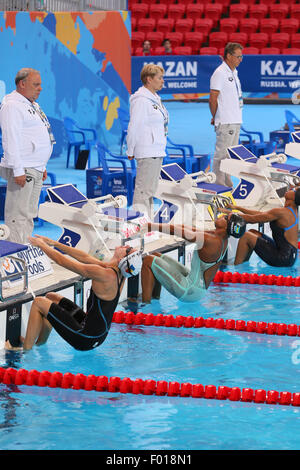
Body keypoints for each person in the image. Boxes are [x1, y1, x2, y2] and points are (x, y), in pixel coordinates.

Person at [21, 235, 142, 351]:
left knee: (38, 302)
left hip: (85, 338)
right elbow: (85, 257)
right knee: (51, 297)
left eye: (128, 250)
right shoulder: (119, 272)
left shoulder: (105, 275)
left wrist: (41, 245)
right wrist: (54, 243)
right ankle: (40, 343)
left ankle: (26, 351)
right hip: (97, 335)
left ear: (121, 259)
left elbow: (62, 261)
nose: (126, 246)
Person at [0, 68, 55, 244]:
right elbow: (11, 139)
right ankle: (14, 254)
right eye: (36, 84)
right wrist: (17, 170)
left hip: (35, 167)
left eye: (40, 85)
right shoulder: (12, 106)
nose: (40, 88)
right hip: (23, 168)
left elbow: (35, 136)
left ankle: (26, 249)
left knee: (30, 214)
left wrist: (42, 165)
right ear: (22, 84)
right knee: (18, 215)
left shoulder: (32, 105)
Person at [140, 213, 246, 303]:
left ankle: (145, 306)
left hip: (189, 290)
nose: (221, 216)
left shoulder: (212, 240)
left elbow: (180, 232)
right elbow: (189, 229)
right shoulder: (222, 239)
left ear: (227, 226)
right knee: (157, 256)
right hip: (197, 288)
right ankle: (155, 298)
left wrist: (150, 226)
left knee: (148, 260)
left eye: (226, 217)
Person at [127, 64, 169, 219]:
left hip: (156, 150)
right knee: (143, 191)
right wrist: (130, 150)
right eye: (159, 78)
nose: (162, 81)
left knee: (150, 191)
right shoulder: (141, 100)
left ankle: (148, 223)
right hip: (147, 150)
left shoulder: (154, 98)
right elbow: (134, 126)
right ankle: (138, 225)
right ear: (149, 79)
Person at [230, 187, 300, 267]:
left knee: (246, 236)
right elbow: (260, 214)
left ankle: (236, 271)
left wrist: (231, 215)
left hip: (284, 257)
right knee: (253, 232)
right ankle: (242, 264)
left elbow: (253, 219)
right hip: (290, 256)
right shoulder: (292, 210)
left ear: (293, 197)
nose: (292, 189)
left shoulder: (282, 212)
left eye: (294, 190)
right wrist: (237, 208)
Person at [209, 42, 243, 187]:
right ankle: (219, 185)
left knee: (230, 156)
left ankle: (227, 184)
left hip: (235, 119)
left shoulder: (234, 72)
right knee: (221, 156)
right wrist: (216, 116)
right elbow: (213, 97)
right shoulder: (220, 73)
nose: (240, 59)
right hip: (226, 120)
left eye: (242, 56)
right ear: (228, 56)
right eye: (238, 56)